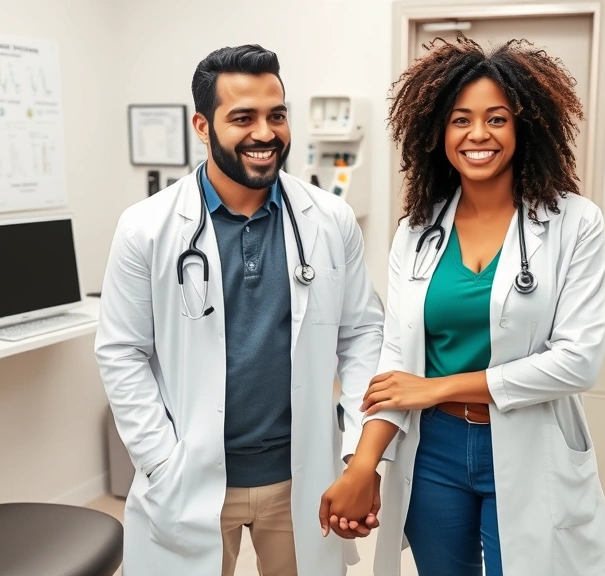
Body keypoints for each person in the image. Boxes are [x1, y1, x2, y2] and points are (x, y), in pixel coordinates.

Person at [319, 37, 605, 576]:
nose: (478, 134)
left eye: (497, 119)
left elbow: (578, 361)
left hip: (529, 443)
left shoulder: (576, 223)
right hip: (434, 451)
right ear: (438, 132)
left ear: (526, 127)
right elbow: (395, 357)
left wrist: (439, 387)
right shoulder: (417, 231)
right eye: (461, 120)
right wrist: (363, 463)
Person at [95, 44, 397, 576]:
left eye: (276, 115)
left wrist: (356, 456)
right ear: (202, 126)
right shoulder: (145, 227)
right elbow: (122, 353)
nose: (265, 133)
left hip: (301, 477)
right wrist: (163, 463)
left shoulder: (330, 220)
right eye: (243, 117)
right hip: (192, 477)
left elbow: (362, 338)